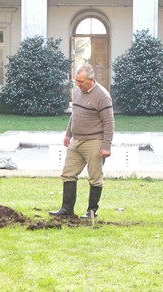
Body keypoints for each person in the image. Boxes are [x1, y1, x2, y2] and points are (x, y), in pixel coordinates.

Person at [49, 65, 115, 219]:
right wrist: (68, 133)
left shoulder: (102, 96)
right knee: (68, 174)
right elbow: (75, 114)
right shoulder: (78, 91)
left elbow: (109, 123)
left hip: (94, 141)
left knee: (94, 177)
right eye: (76, 81)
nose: (78, 84)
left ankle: (91, 212)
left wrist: (106, 146)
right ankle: (67, 210)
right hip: (76, 141)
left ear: (91, 80)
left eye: (81, 81)